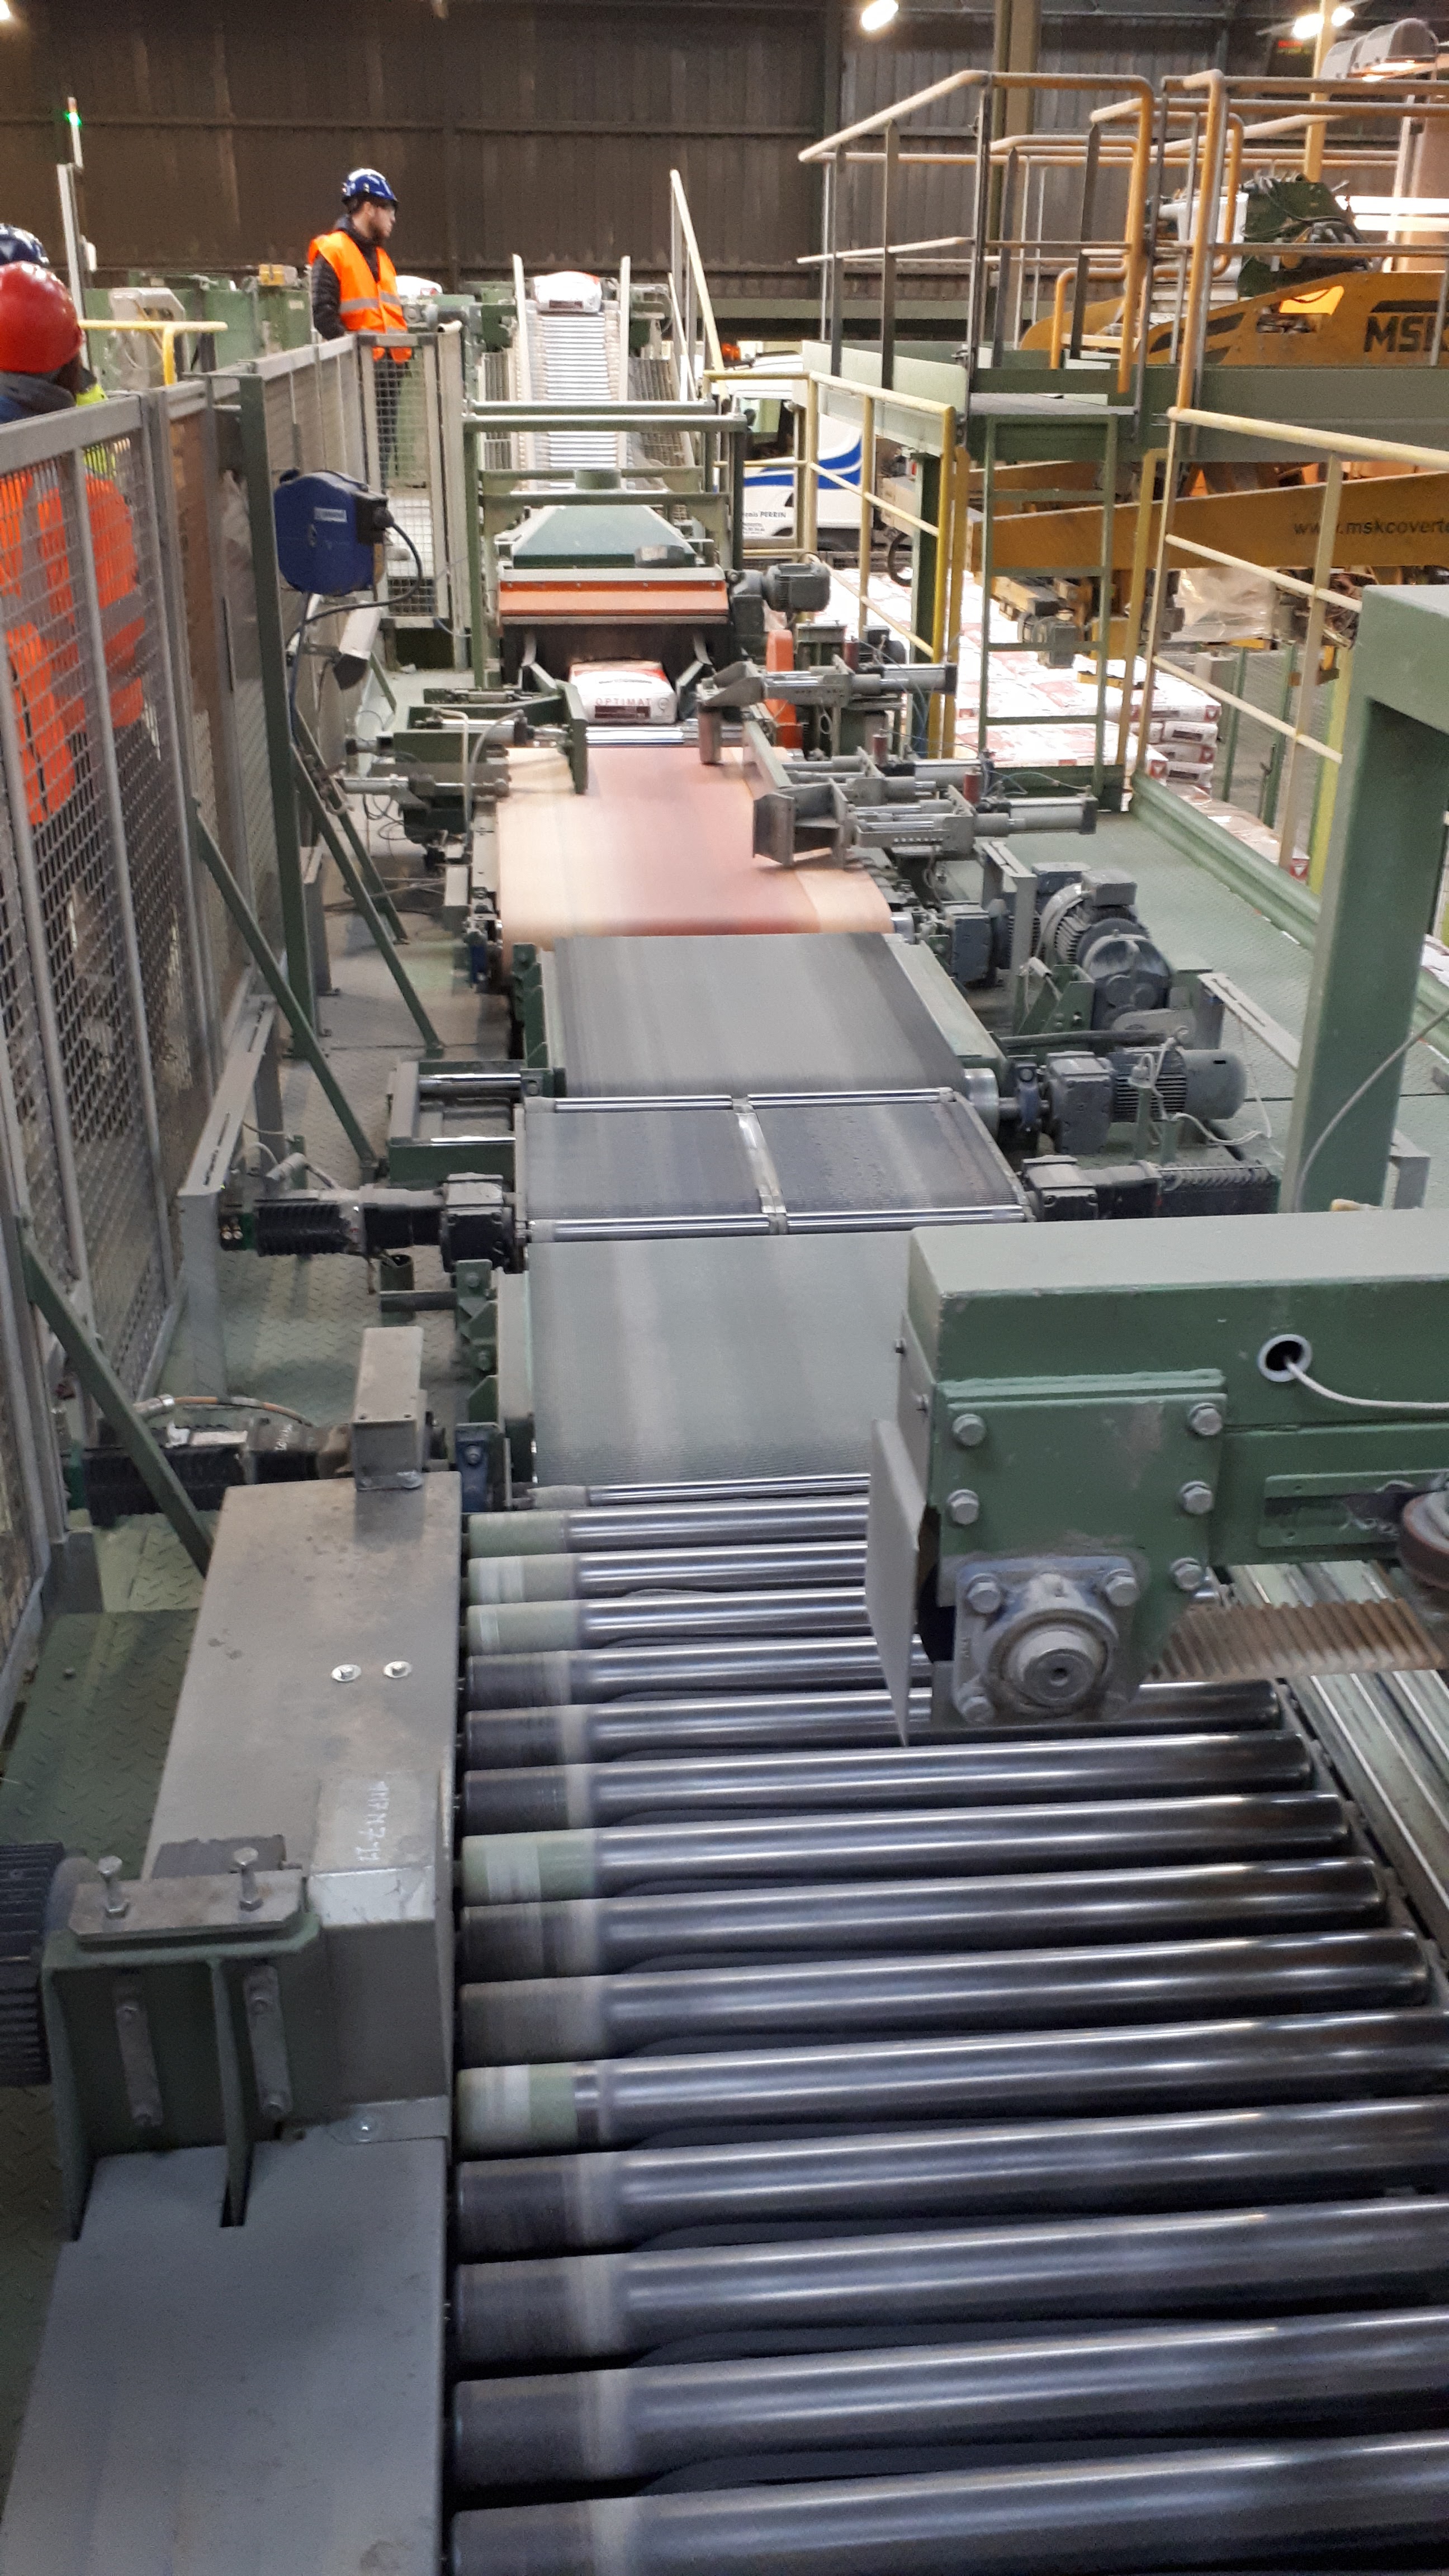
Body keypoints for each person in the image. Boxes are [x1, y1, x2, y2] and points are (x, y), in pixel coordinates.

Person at [0, 261, 181, 1128]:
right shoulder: (83, 492)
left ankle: (58, 1081)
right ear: (67, 370)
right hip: (94, 740)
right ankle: (133, 1067)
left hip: (25, 758)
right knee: (146, 883)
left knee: (31, 937)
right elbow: (121, 638)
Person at [308, 169, 410, 476]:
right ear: (369, 208)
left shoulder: (381, 258)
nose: (393, 218)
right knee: (361, 461)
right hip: (358, 375)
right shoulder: (333, 251)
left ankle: (377, 503)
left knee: (380, 460)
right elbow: (323, 315)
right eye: (388, 209)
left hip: (388, 373)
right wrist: (357, 355)